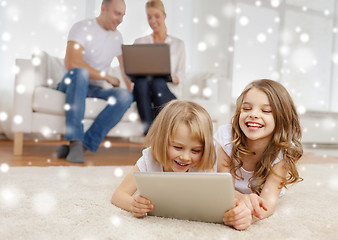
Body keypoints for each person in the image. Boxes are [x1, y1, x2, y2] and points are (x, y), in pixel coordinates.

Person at [214, 79, 303, 230]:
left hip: (259, 196)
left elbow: (267, 201)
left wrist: (248, 217)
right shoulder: (226, 138)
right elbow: (224, 189)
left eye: (266, 111)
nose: (253, 115)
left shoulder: (284, 152)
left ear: (282, 117)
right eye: (247, 108)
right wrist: (243, 198)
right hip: (231, 190)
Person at [55, 0, 133, 163]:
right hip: (72, 83)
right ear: (103, 9)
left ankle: (83, 145)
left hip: (95, 88)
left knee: (125, 96)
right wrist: (106, 76)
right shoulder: (81, 27)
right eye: (117, 13)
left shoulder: (117, 36)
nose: (120, 19)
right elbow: (72, 63)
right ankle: (75, 141)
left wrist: (133, 91)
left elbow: (125, 68)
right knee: (81, 74)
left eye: (123, 15)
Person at [111, 100, 216, 217]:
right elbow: (118, 195)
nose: (186, 157)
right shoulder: (149, 160)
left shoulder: (202, 165)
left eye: (196, 150)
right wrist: (132, 204)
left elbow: (215, 202)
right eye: (178, 147)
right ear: (161, 141)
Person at [132, 0, 186, 135]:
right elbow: (134, 69)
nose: (153, 20)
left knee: (157, 82)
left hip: (166, 88)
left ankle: (158, 133)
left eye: (156, 16)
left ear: (164, 16)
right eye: (149, 17)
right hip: (143, 89)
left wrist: (167, 77)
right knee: (141, 82)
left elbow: (181, 76)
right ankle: (150, 134)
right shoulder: (140, 42)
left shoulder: (177, 44)